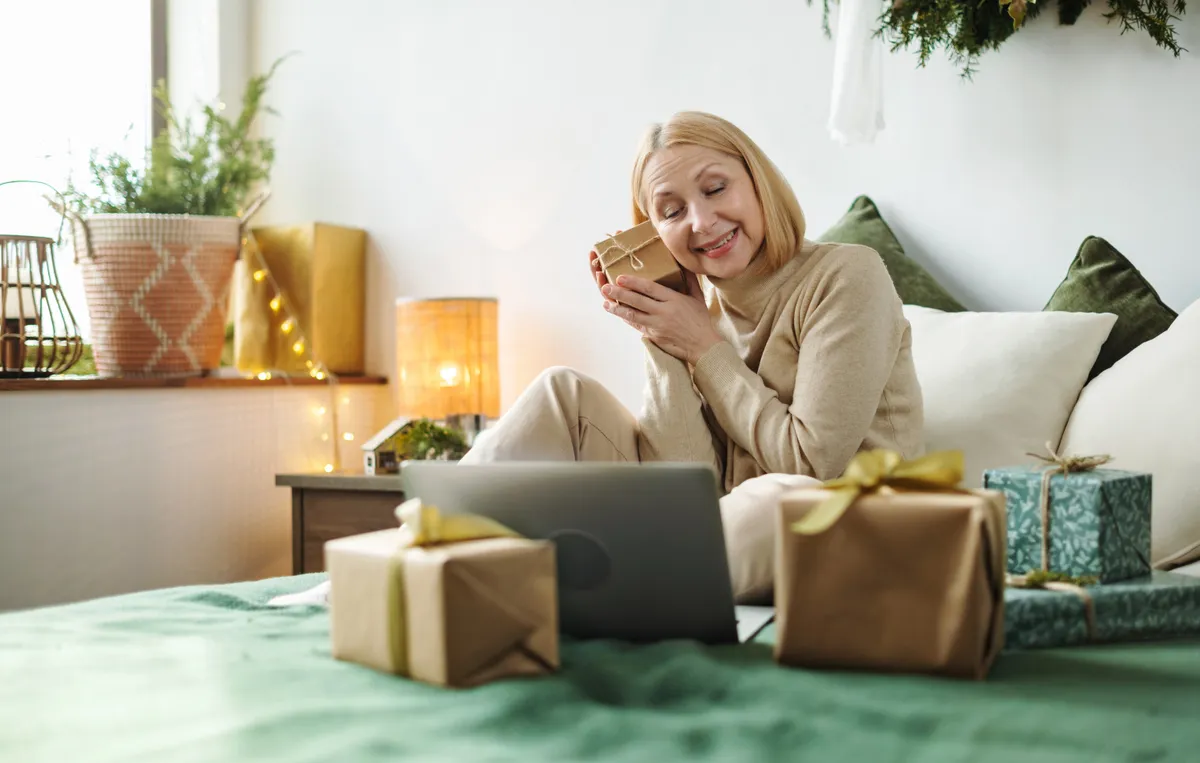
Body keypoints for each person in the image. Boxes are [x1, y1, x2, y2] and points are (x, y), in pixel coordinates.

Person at [462, 111, 924, 598]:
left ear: (758, 182)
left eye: (715, 188)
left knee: (783, 498)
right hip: (722, 543)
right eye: (671, 211)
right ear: (654, 233)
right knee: (562, 392)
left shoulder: (847, 275)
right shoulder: (701, 316)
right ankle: (432, 556)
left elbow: (810, 465)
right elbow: (688, 485)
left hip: (848, 532)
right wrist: (661, 331)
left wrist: (704, 347)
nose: (701, 222)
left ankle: (588, 575)